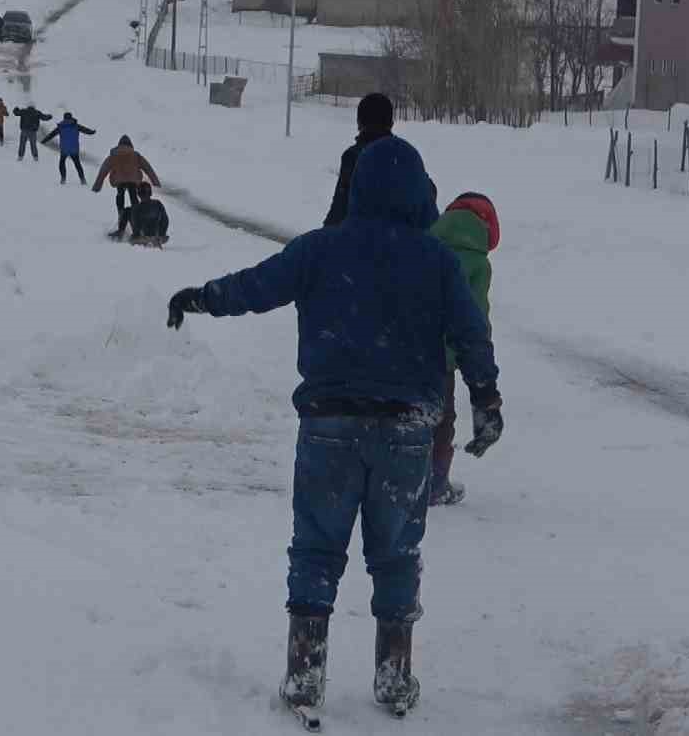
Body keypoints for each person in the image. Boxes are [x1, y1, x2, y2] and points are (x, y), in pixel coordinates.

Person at [164, 137, 502, 723]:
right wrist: (486, 399)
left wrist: (201, 298)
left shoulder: (322, 250)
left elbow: (257, 286)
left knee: (317, 549)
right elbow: (472, 333)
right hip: (406, 431)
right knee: (397, 554)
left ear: (359, 189)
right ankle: (395, 680)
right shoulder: (436, 260)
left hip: (329, 426)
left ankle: (304, 677)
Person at [427, 192, 499, 507]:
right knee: (442, 420)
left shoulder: (426, 246)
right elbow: (475, 319)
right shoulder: (478, 264)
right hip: (445, 356)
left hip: (407, 349)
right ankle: (435, 485)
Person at [323, 93, 396, 227]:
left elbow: (340, 209)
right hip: (402, 241)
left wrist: (322, 240)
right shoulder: (405, 155)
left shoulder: (354, 157)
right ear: (391, 123)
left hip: (362, 240)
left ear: (359, 123)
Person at [91, 135, 161, 238]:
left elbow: (104, 170)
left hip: (119, 180)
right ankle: (137, 216)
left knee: (120, 195)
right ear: (130, 145)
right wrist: (155, 182)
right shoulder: (135, 155)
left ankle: (121, 214)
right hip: (133, 180)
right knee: (133, 197)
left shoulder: (113, 155)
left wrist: (97, 186)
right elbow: (148, 168)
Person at [40, 112, 96, 184]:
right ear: (71, 117)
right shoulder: (76, 125)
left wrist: (44, 141)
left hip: (64, 149)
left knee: (62, 163)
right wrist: (92, 132)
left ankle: (63, 178)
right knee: (77, 164)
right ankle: (82, 179)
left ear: (64, 118)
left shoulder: (61, 126)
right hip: (74, 149)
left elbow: (52, 134)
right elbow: (86, 130)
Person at [128, 182, 169, 247]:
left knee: (128, 211)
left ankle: (148, 239)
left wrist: (136, 235)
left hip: (144, 237)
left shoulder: (136, 208)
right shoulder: (158, 203)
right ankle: (154, 239)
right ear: (150, 193)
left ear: (139, 194)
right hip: (158, 235)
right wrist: (162, 233)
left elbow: (136, 224)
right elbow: (165, 220)